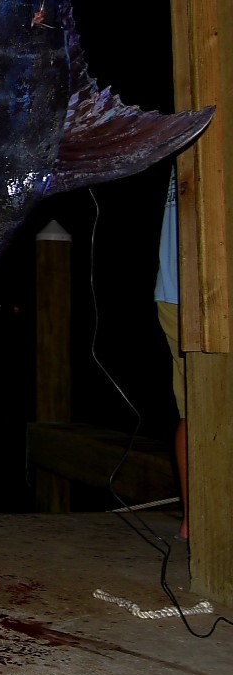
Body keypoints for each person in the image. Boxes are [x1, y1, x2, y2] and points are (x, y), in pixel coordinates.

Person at [155, 167, 188, 542]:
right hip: (196, 293)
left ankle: (192, 522)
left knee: (193, 412)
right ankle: (195, 522)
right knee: (196, 412)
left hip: (172, 291)